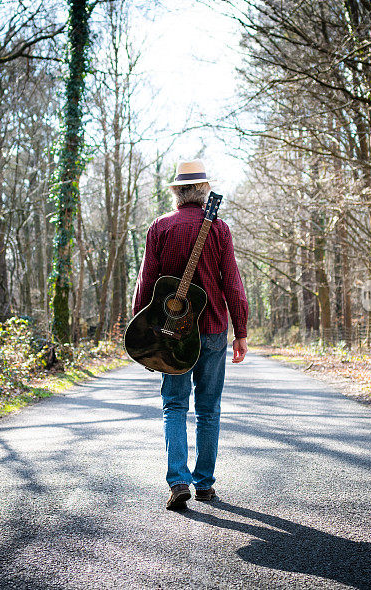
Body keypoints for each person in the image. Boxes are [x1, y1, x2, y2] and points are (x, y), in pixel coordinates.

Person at [132, 159, 249, 510]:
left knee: (175, 406)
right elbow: (233, 283)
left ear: (178, 193)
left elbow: (146, 284)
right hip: (212, 329)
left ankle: (178, 480)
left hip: (170, 335)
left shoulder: (160, 227)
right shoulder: (220, 229)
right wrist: (240, 330)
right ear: (204, 191)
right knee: (209, 409)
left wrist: (142, 330)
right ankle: (204, 484)